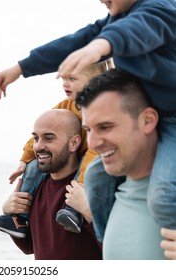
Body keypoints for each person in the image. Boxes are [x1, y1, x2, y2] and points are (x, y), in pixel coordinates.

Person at [0, 0, 176, 241]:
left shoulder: (160, 8)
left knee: (163, 193)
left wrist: (99, 46)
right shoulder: (116, 19)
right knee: (97, 177)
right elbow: (75, 41)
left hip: (171, 120)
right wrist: (21, 68)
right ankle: (106, 244)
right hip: (143, 119)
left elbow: (135, 30)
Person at [0, 60, 113, 238]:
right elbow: (40, 135)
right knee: (32, 166)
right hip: (76, 157)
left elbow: (94, 151)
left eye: (72, 78)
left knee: (89, 169)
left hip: (92, 157)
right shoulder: (65, 106)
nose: (65, 84)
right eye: (63, 79)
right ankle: (19, 219)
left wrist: (83, 181)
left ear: (94, 81)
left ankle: (74, 212)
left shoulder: (102, 109)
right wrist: (24, 160)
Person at [76, 68, 169, 259]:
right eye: (88, 130)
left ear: (147, 120)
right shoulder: (108, 191)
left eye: (106, 127)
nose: (92, 143)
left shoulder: (167, 196)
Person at [0, 109, 102, 260]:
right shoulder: (36, 187)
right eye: (36, 138)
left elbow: (119, 254)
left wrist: (90, 213)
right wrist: (10, 212)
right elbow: (29, 247)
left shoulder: (95, 187)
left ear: (74, 143)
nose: (37, 147)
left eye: (49, 138)